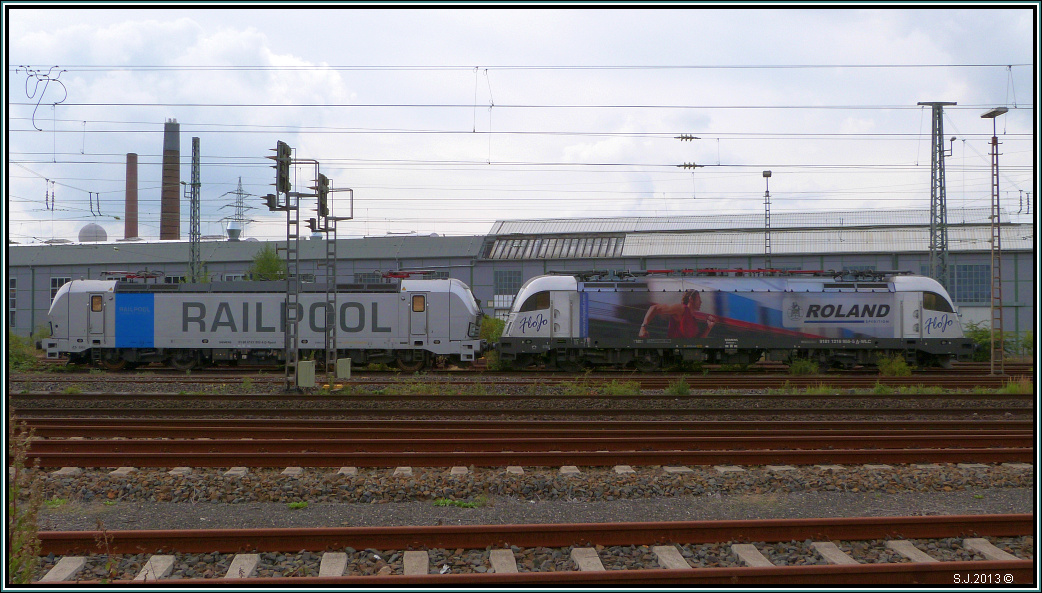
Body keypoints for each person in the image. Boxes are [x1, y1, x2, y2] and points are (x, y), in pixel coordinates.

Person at [637, 290, 717, 338]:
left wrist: (709, 327)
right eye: (699, 299)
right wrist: (643, 327)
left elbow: (697, 343)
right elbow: (654, 308)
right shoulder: (681, 309)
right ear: (691, 299)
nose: (701, 302)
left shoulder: (693, 320)